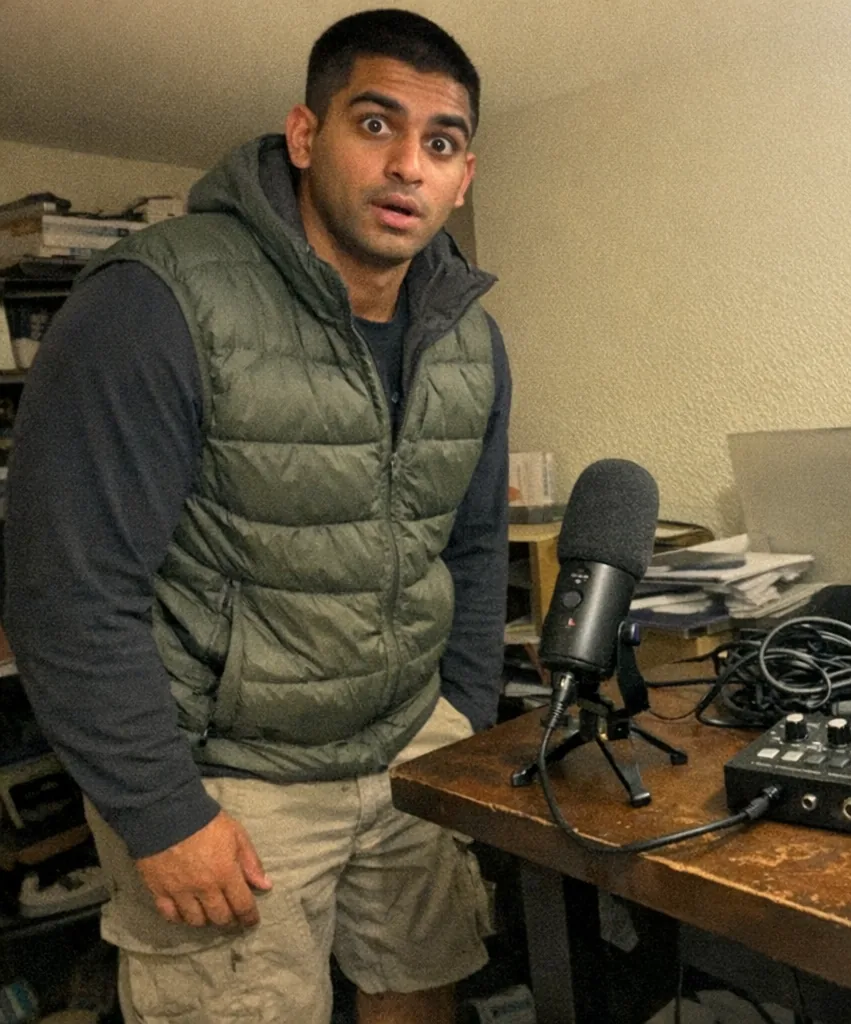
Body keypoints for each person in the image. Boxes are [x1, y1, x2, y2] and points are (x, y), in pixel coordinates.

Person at [4, 9, 509, 1023]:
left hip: (410, 743)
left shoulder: (472, 338)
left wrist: (463, 726)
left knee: (421, 989)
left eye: (440, 142)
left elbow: (474, 543)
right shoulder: (156, 301)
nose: (409, 163)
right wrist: (159, 811)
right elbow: (67, 586)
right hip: (228, 779)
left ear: (464, 175)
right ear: (305, 134)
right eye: (376, 124)